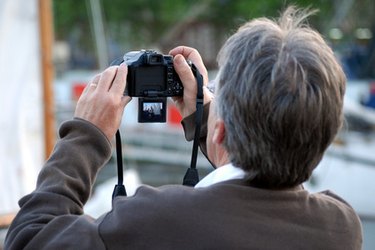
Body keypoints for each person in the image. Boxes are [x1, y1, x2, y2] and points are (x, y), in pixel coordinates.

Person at [5, 7, 362, 249]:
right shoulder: (341, 227)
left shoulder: (154, 220)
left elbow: (28, 236)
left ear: (220, 133)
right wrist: (209, 116)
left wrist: (87, 134)